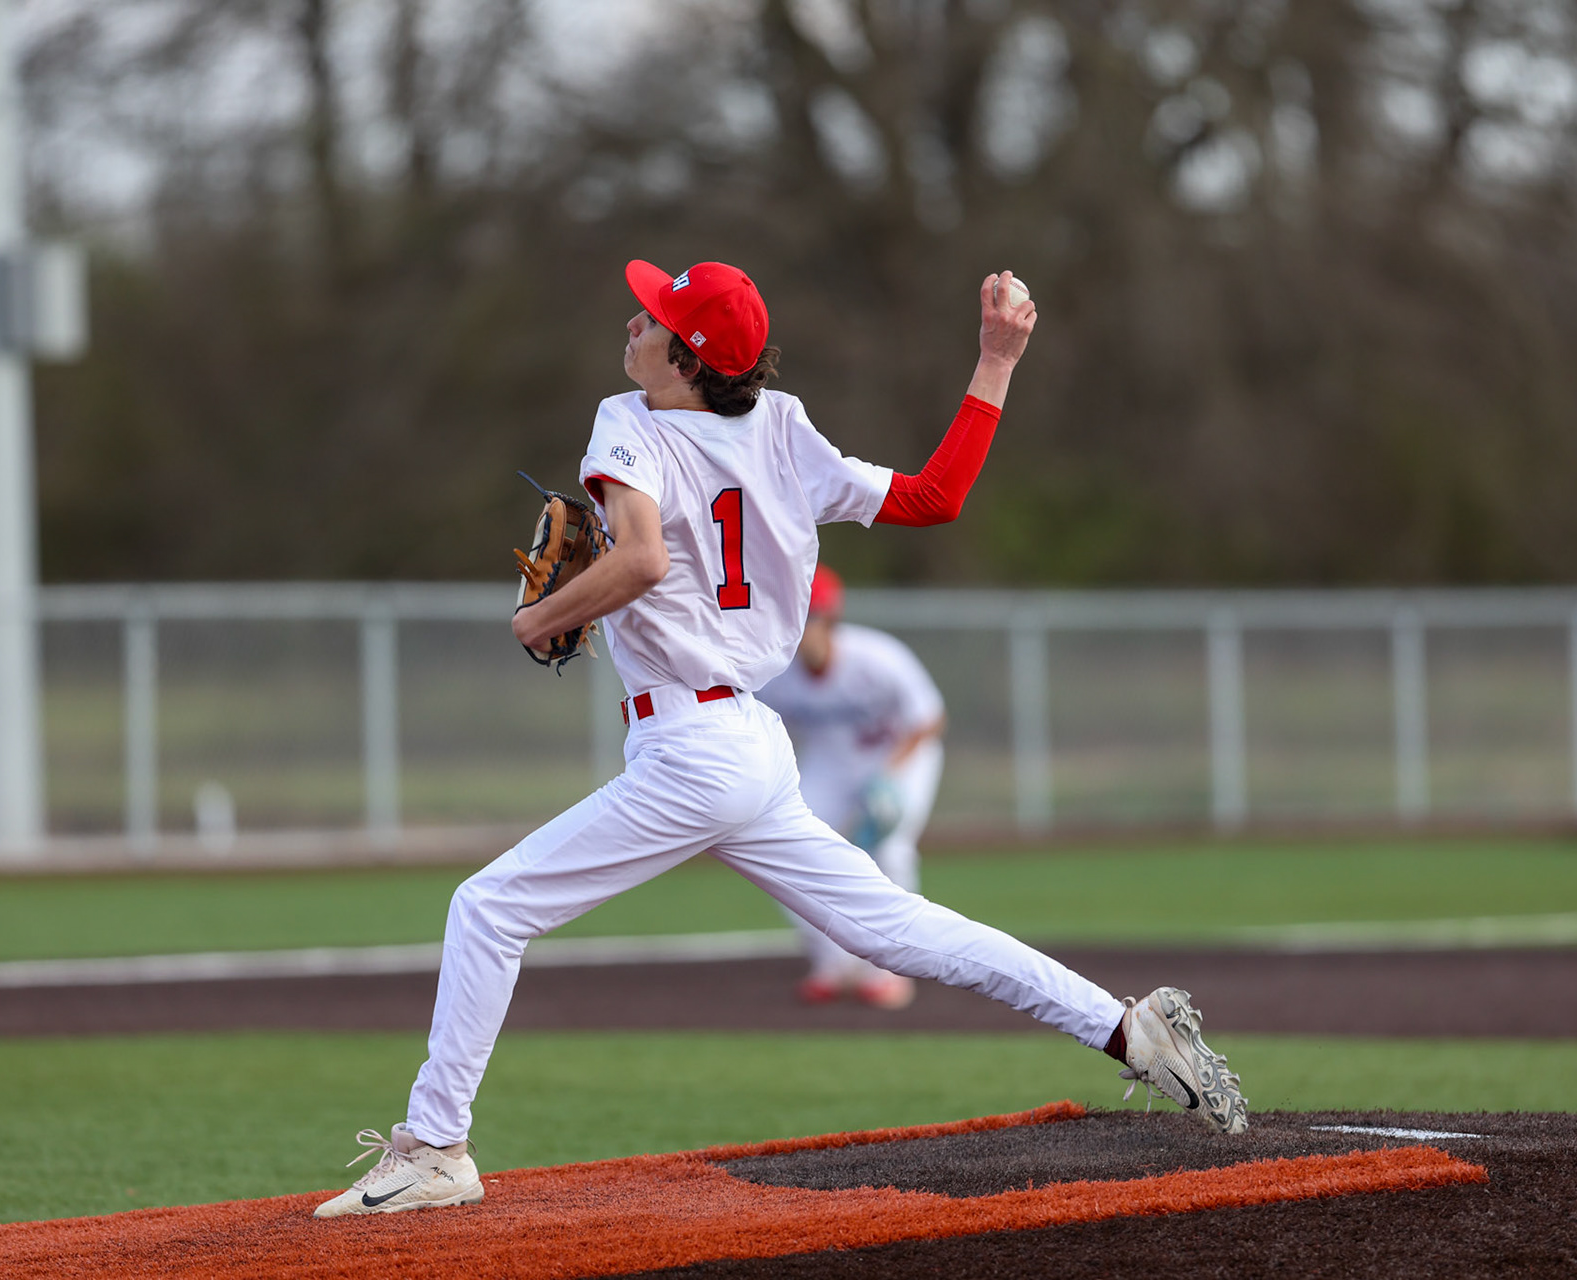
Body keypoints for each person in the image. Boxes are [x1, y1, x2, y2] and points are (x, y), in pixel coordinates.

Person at [315, 260, 1246, 1219]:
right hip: (750, 744)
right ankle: (1126, 1030)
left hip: (692, 747)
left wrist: (537, 618)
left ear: (684, 358)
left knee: (487, 908)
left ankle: (435, 1148)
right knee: (893, 928)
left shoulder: (628, 420)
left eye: (656, 316)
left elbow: (640, 558)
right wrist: (996, 362)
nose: (635, 320)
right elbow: (935, 497)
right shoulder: (784, 427)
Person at [758, 565, 944, 1010]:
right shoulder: (774, 669)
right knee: (785, 852)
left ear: (829, 619)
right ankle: (833, 964)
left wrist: (889, 777)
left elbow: (929, 719)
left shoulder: (876, 657)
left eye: (809, 617)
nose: (800, 630)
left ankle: (892, 969)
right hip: (830, 762)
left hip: (899, 757)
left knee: (891, 850)